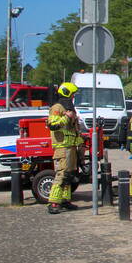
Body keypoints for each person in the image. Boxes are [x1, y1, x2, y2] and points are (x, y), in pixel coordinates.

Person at [46, 82, 82, 214]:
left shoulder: (69, 108)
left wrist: (80, 142)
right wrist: (67, 117)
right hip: (62, 147)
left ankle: (65, 200)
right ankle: (54, 202)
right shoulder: (57, 107)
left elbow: (73, 129)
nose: (73, 98)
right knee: (62, 174)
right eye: (72, 95)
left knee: (69, 175)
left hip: (71, 146)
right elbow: (53, 124)